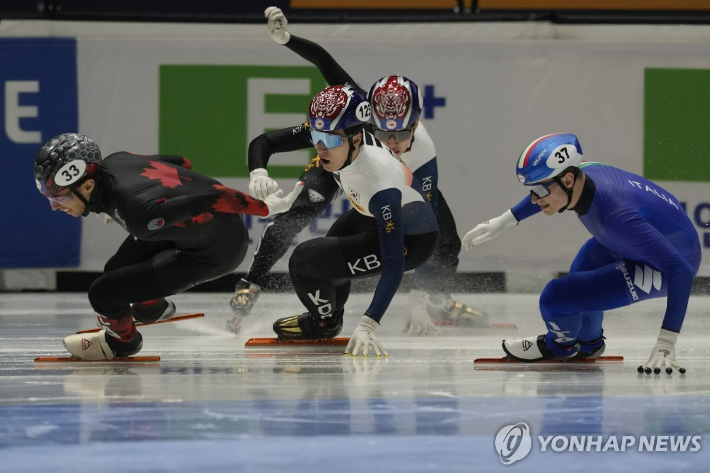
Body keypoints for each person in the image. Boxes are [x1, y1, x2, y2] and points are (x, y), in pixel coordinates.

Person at [227, 7, 487, 336]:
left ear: (416, 125)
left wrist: (416, 300)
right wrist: (285, 39)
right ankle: (253, 281)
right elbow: (325, 63)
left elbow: (428, 226)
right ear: (368, 119)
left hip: (382, 187)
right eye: (381, 132)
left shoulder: (421, 154)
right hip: (344, 166)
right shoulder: (354, 115)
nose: (391, 142)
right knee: (298, 210)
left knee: (446, 239)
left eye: (401, 134)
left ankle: (437, 298)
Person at [34, 133, 302, 360]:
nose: (55, 207)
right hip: (192, 229)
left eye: (59, 198)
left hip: (217, 252)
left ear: (89, 185)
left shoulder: (139, 214)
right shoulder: (114, 161)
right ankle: (153, 309)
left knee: (103, 294)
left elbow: (214, 197)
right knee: (115, 269)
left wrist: (264, 208)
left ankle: (123, 343)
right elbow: (179, 162)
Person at [462, 133, 700, 373]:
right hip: (640, 241)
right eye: (531, 190)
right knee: (581, 273)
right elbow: (547, 188)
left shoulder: (616, 217)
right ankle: (589, 344)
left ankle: (559, 347)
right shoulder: (583, 172)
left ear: (567, 179)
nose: (534, 199)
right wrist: (504, 221)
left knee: (555, 298)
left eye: (539, 190)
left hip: (667, 266)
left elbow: (681, 271)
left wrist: (666, 342)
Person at [271, 85, 439, 356]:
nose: (323, 147)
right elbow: (266, 142)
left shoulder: (380, 185)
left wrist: (368, 324)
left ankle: (324, 323)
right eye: (317, 137)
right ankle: (332, 315)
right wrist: (258, 174)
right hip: (378, 213)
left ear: (356, 140)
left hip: (413, 240)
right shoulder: (351, 131)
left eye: (333, 140)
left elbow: (394, 265)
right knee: (329, 255)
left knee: (305, 260)